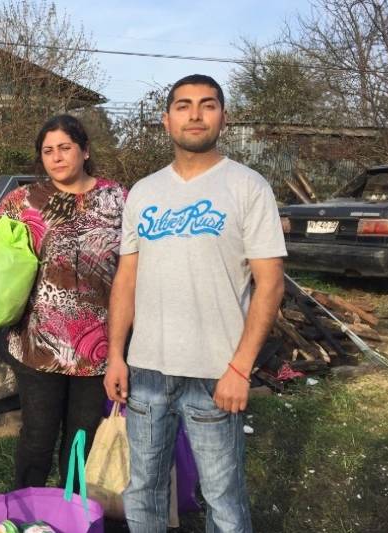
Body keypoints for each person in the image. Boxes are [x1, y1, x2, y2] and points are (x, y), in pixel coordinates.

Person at [105, 74, 286, 533]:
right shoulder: (143, 192)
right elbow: (126, 279)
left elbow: (270, 285)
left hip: (216, 375)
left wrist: (241, 368)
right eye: (183, 105)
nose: (195, 114)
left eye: (207, 104)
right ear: (166, 120)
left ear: (223, 117)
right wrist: (115, 356)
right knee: (142, 491)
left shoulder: (248, 187)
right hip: (146, 372)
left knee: (223, 499)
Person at [0, 114, 128, 489]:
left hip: (98, 347)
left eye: (65, 148)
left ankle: (74, 515)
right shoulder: (24, 200)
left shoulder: (117, 198)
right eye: (48, 150)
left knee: (81, 441)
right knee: (37, 437)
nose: (56, 157)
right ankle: (26, 513)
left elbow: (135, 266)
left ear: (84, 150)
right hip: (38, 345)